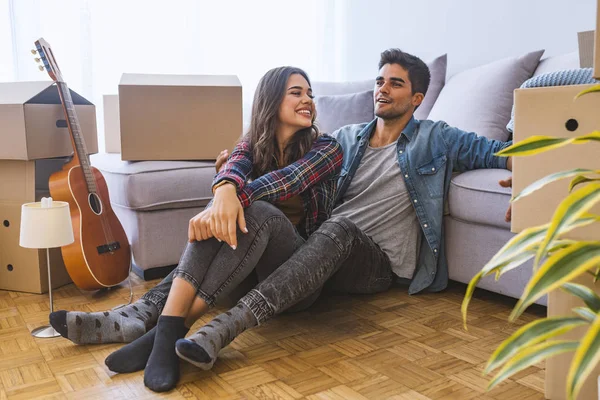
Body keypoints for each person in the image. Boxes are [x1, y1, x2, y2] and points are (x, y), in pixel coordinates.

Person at [53, 47, 514, 381]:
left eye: (396, 83)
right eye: (379, 80)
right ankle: (143, 317)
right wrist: (224, 189)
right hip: (313, 255)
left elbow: (501, 151)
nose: (382, 89)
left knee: (330, 225)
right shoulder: (350, 136)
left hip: (374, 264)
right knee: (254, 217)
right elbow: (244, 153)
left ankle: (216, 329)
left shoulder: (437, 137)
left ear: (416, 99)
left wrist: (546, 159)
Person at [49, 66, 343, 392]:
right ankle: (142, 316)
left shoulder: (327, 147)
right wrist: (223, 189)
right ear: (271, 101)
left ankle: (165, 330)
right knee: (224, 212)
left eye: (310, 94)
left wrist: (230, 193)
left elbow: (289, 181)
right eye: (297, 93)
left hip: (292, 274)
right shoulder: (250, 143)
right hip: (244, 271)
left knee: (253, 210)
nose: (308, 100)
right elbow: (235, 166)